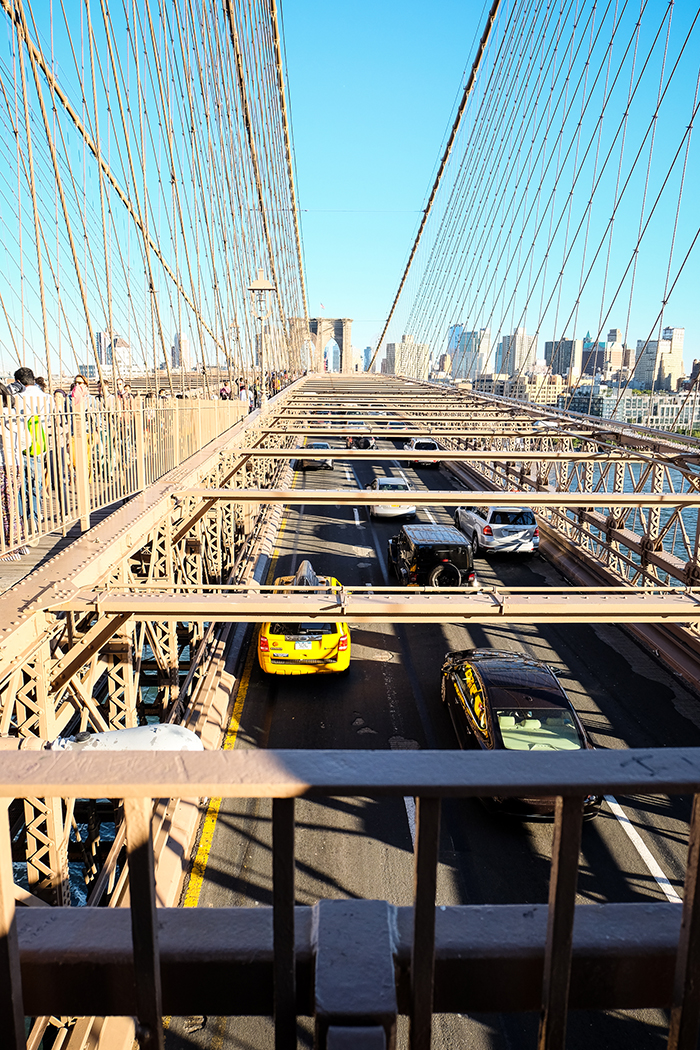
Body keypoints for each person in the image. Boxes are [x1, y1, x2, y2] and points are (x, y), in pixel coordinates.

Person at [13, 366, 52, 533]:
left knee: (21, 487)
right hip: (39, 447)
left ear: (18, 382)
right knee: (36, 486)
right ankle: (34, 519)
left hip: (20, 447)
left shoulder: (17, 397)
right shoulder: (47, 398)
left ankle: (22, 521)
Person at [0, 382, 26, 558]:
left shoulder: (4, 416)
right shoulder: (15, 415)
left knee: (4, 505)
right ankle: (17, 540)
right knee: (12, 504)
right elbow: (26, 442)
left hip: (2, 464)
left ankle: (7, 546)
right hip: (15, 463)